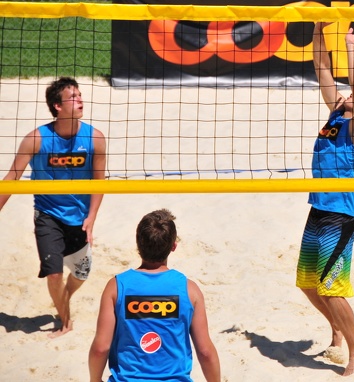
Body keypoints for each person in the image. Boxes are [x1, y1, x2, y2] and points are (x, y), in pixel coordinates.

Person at [296, 22, 354, 376]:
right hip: (318, 208)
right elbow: (321, 67)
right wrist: (319, 31)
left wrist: (351, 46)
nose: (353, 92)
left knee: (331, 287)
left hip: (340, 215)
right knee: (308, 284)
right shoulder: (338, 111)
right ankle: (336, 326)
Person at [0, 76, 107, 337]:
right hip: (47, 214)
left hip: (79, 217)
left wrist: (91, 217)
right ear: (57, 106)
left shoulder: (95, 138)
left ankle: (64, 299)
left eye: (80, 95)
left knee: (81, 274)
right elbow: (11, 179)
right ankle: (65, 321)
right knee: (54, 274)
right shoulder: (36, 139)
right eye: (73, 97)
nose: (80, 99)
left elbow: (99, 182)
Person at [88, 209, 221, 382]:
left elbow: (101, 348)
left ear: (138, 244)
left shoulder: (116, 287)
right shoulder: (190, 290)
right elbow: (205, 351)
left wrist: (94, 380)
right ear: (173, 246)